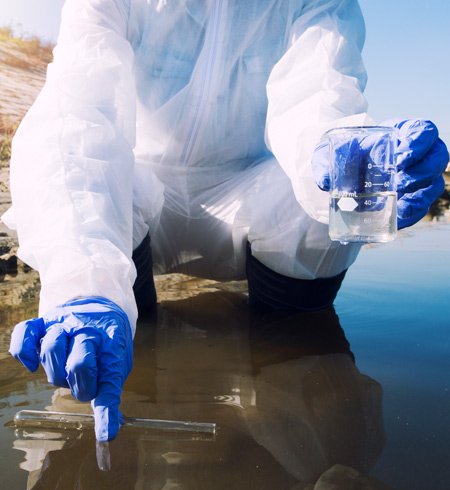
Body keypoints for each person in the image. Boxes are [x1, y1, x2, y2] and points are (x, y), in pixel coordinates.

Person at [4, 0, 448, 441]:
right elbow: (82, 109)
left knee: (327, 201)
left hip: (251, 191)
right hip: (139, 190)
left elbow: (318, 96)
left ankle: (295, 375)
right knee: (72, 159)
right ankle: (104, 311)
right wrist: (82, 283)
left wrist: (352, 158)